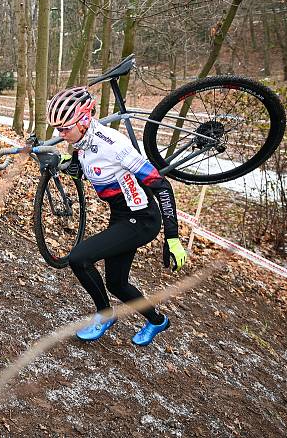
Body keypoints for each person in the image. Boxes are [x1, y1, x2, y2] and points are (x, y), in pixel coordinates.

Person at [46, 86, 187, 346]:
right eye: (58, 128)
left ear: (84, 120)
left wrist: (173, 239)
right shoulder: (81, 141)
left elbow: (161, 186)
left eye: (64, 128)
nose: (60, 134)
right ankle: (157, 321)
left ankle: (105, 314)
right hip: (122, 215)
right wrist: (59, 162)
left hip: (141, 220)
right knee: (117, 283)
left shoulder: (115, 146)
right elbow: (79, 167)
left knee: (79, 258)